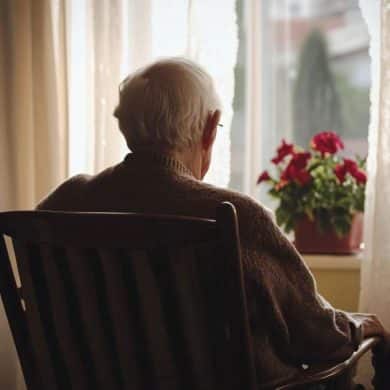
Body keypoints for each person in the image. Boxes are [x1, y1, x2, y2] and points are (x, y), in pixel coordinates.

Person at [37, 57, 387, 388]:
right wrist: (358, 327)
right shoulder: (238, 217)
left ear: (124, 123)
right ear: (209, 129)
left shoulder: (68, 200)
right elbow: (318, 340)